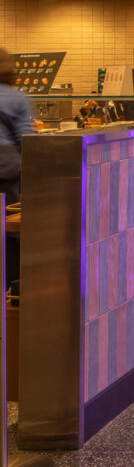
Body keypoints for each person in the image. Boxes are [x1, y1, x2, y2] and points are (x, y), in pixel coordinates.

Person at [0, 48, 36, 289]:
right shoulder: (17, 97)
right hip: (5, 166)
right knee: (10, 225)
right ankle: (10, 286)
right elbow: (26, 137)